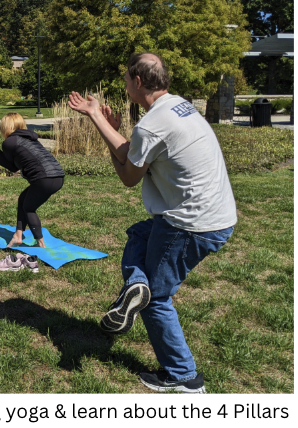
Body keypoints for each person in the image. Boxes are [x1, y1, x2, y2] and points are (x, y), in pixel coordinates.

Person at [68, 53, 236, 393]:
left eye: (126, 81)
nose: (125, 87)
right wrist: (110, 128)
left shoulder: (151, 124)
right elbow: (133, 152)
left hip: (190, 224)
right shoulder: (179, 106)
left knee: (157, 299)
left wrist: (96, 117)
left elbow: (128, 176)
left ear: (138, 81)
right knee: (140, 235)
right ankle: (136, 285)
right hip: (217, 216)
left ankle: (183, 377)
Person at [0, 113, 64, 250]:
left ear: (5, 126)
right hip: (58, 176)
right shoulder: (30, 139)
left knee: (29, 208)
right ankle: (18, 235)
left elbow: (12, 167)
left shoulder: (10, 142)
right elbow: (14, 166)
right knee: (23, 199)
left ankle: (40, 244)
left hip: (43, 178)